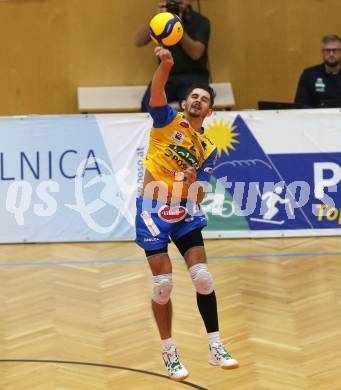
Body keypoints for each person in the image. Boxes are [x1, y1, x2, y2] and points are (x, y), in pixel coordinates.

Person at [134, 45, 239, 382]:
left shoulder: (207, 148)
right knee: (163, 285)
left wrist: (194, 184)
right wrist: (165, 65)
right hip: (152, 209)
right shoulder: (168, 121)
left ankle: (215, 345)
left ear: (209, 111)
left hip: (184, 210)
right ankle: (169, 351)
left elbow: (202, 192)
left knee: (203, 277)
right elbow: (156, 93)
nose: (198, 101)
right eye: (193, 96)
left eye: (204, 99)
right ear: (184, 103)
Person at [135, 0, 210, 112]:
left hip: (193, 77)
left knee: (193, 108)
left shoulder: (201, 21)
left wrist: (177, 26)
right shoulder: (162, 20)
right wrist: (156, 19)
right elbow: (138, 41)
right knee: (148, 106)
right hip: (166, 76)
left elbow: (196, 54)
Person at [294, 34, 341, 107]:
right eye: (327, 50)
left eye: (335, 50)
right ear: (322, 52)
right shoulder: (309, 75)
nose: (331, 54)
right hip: (315, 117)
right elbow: (300, 105)